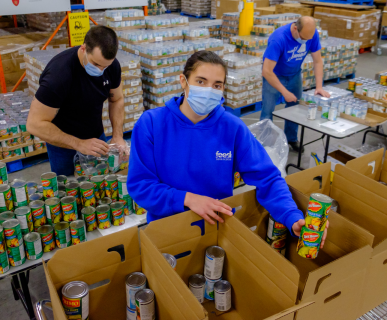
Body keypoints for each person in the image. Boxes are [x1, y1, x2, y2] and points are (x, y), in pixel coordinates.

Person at [127, 51, 328, 244]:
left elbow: (268, 177)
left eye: (217, 85)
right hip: (167, 230)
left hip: (215, 229)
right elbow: (140, 185)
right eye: (200, 81)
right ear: (183, 81)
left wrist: (291, 215)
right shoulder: (152, 124)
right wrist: (186, 198)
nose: (208, 91)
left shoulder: (232, 128)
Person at [26, 26, 126, 176]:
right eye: (96, 64)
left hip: (96, 138)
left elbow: (117, 99)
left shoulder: (112, 67)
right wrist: (78, 144)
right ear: (84, 48)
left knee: (101, 187)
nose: (100, 71)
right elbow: (34, 124)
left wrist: (117, 135)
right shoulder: (59, 75)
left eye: (106, 66)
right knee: (68, 190)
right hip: (63, 145)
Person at [261, 16, 331, 153]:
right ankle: (265, 144)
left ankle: (291, 139)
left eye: (308, 39)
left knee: (294, 109)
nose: (305, 41)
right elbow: (267, 71)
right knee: (268, 110)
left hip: (294, 75)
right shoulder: (279, 38)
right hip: (274, 75)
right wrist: (284, 92)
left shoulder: (312, 34)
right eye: (303, 38)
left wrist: (319, 87)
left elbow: (317, 61)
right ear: (295, 28)